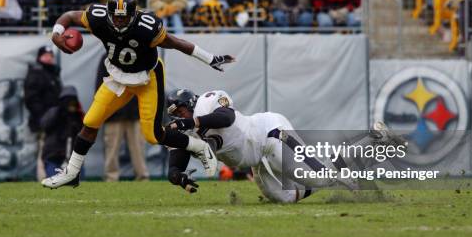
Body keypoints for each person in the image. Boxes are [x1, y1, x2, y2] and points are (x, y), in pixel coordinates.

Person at [41, 0, 236, 188]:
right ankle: (71, 173)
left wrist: (211, 58)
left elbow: (176, 43)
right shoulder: (96, 17)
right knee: (90, 121)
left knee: (153, 135)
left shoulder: (147, 27)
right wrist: (56, 33)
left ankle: (199, 146)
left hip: (147, 78)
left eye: (123, 18)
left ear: (133, 15)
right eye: (115, 18)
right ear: (108, 14)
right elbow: (69, 16)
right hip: (117, 77)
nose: (118, 22)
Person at [164, 88, 405, 202]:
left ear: (191, 103)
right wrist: (178, 177)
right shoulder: (187, 132)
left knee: (320, 176)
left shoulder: (207, 103)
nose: (180, 117)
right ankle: (339, 171)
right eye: (177, 115)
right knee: (285, 198)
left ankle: (373, 136)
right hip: (256, 158)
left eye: (182, 110)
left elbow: (225, 118)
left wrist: (192, 121)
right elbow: (176, 162)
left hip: (270, 134)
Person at [96, 59, 148, 182]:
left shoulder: (137, 55)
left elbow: (145, 83)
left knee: (138, 147)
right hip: (114, 113)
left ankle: (142, 176)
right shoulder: (107, 58)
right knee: (112, 148)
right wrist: (103, 110)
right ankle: (111, 177)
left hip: (134, 111)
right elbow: (100, 85)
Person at [24, 46, 63, 181]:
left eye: (50, 55)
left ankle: (54, 176)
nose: (49, 58)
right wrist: (43, 118)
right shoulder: (36, 73)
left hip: (55, 121)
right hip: (44, 121)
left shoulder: (52, 73)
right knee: (44, 150)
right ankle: (43, 177)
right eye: (45, 55)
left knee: (52, 149)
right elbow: (31, 99)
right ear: (39, 58)